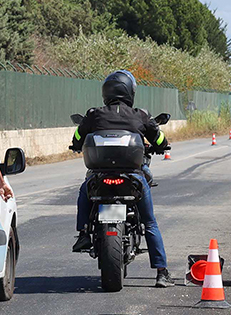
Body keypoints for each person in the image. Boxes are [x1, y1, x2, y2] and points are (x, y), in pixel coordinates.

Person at [69, 70, 174, 288]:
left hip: (99, 176)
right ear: (130, 92)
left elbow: (77, 137)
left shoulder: (94, 114)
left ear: (106, 92)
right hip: (132, 176)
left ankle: (83, 233)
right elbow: (160, 140)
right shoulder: (140, 114)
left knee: (84, 191)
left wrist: (76, 145)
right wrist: (162, 145)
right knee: (149, 222)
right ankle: (162, 272)